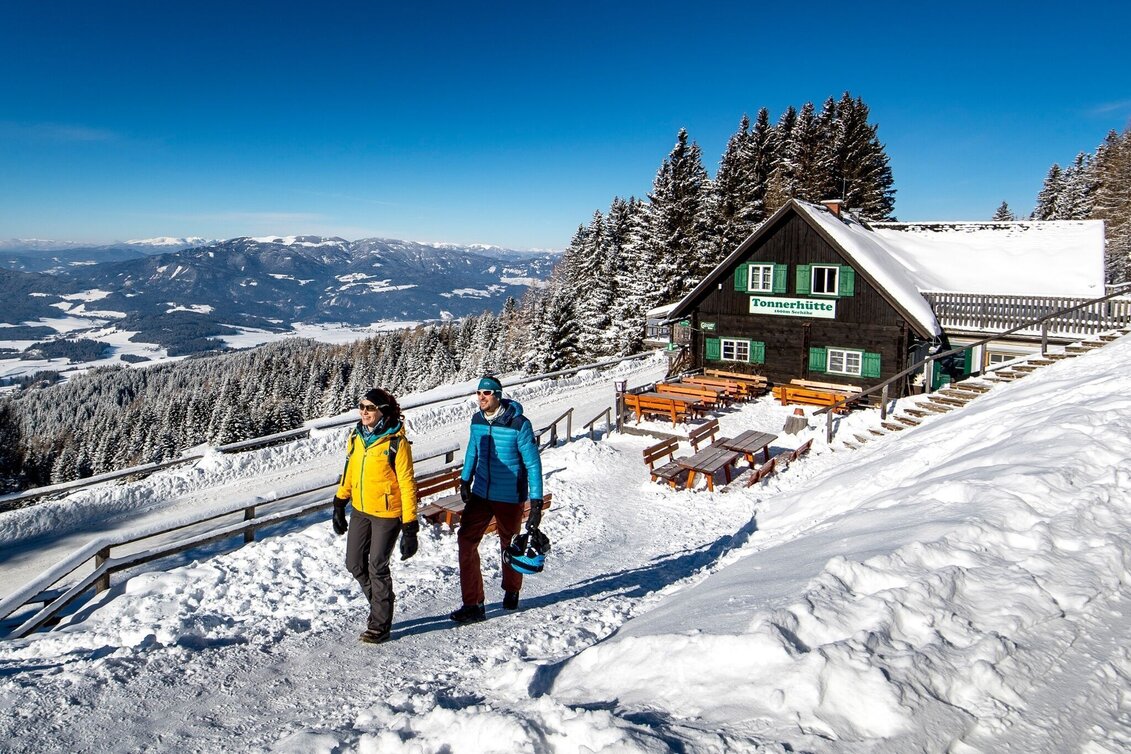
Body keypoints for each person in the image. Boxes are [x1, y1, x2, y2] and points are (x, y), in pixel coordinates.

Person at [450, 375, 544, 623]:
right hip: (481, 492)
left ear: (498, 396)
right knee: (466, 540)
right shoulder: (477, 420)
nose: (481, 397)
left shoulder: (519, 424)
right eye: (479, 392)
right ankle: (473, 604)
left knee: (509, 544)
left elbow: (533, 464)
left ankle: (512, 589)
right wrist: (465, 479)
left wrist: (536, 502)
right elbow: (473, 449)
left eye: (487, 393)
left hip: (509, 495)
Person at [331, 388, 419, 644]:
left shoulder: (396, 443)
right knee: (354, 563)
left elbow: (407, 484)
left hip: (387, 514)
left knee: (377, 566)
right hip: (360, 509)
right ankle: (382, 602)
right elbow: (350, 470)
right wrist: (340, 502)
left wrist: (410, 527)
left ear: (383, 411)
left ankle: (380, 624)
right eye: (361, 407)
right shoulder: (356, 436)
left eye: (370, 408)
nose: (364, 412)